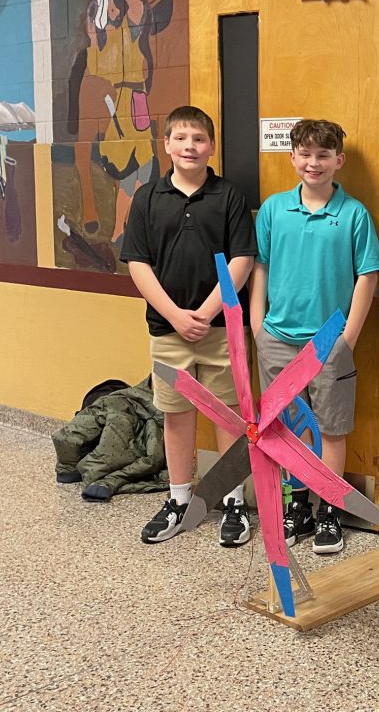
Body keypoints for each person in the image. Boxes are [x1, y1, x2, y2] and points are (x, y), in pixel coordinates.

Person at [120, 105, 258, 547]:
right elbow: (138, 264)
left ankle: (232, 500)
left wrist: (207, 311)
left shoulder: (229, 196)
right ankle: (179, 498)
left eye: (198, 139)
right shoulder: (147, 198)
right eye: (180, 138)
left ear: (211, 146)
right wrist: (176, 315)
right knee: (176, 415)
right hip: (167, 329)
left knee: (227, 415)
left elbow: (242, 259)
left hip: (220, 330)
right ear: (166, 144)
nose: (190, 147)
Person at [250, 119, 379, 555]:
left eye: (323, 155)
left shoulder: (354, 215)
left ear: (338, 161)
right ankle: (298, 506)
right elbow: (261, 267)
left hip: (329, 342)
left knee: (331, 427)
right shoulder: (273, 210)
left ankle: (329, 510)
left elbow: (368, 276)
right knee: (289, 428)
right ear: (292, 159)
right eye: (305, 154)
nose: (314, 162)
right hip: (277, 337)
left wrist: (347, 336)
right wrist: (256, 325)